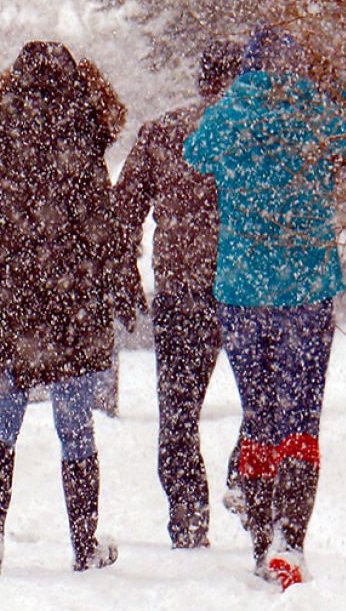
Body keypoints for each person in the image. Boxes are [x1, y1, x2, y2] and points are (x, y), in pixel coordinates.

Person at [183, 28, 346, 589]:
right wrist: (336, 89)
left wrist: (235, 103)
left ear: (248, 66)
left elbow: (195, 155)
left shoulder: (232, 110)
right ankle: (290, 542)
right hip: (307, 288)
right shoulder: (313, 107)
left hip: (242, 290)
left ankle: (259, 539)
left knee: (260, 416)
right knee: (301, 419)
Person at [0, 41, 143, 578]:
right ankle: (84, 544)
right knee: (76, 427)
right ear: (78, 90)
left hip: (9, 314)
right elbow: (106, 239)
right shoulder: (83, 159)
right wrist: (116, 289)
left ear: (10, 90)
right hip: (71, 314)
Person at [113, 41, 243, 550]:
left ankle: (189, 517)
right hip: (246, 289)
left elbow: (122, 216)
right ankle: (244, 476)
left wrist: (125, 284)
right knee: (265, 403)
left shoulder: (164, 132)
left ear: (200, 79)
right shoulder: (254, 135)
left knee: (179, 413)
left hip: (182, 291)